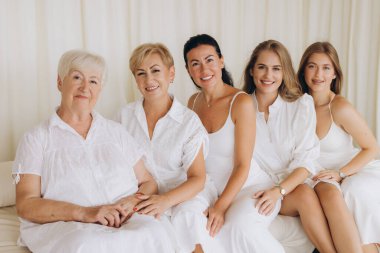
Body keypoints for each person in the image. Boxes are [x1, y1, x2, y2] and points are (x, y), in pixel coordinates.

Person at [12, 49, 175, 253]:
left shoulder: (116, 132)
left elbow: (148, 182)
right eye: (77, 77)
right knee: (87, 245)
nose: (85, 87)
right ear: (60, 82)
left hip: (127, 219)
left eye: (93, 81)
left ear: (99, 90)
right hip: (73, 226)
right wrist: (86, 213)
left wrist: (132, 201)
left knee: (155, 233)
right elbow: (26, 204)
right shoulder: (36, 138)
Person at [115, 43, 222, 253]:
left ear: (171, 73)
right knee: (146, 231)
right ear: (135, 80)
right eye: (141, 73)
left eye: (156, 71)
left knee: (186, 219)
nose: (149, 80)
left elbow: (198, 178)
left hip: (187, 193)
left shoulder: (189, 122)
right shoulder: (124, 117)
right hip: (145, 194)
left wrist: (165, 201)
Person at [184, 34, 284, 253]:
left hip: (250, 187)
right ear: (188, 70)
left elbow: (242, 165)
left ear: (221, 61)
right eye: (195, 64)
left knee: (237, 228)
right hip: (211, 188)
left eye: (209, 60)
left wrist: (220, 207)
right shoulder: (192, 103)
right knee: (189, 222)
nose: (204, 69)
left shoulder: (241, 102)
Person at [242, 40, 337, 253]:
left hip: (292, 187)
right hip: (256, 187)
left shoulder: (300, 106)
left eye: (276, 68)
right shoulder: (239, 107)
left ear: (285, 72)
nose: (268, 75)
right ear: (251, 71)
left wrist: (279, 191)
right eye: (262, 67)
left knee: (304, 193)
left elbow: (306, 161)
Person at [298, 41, 380, 253]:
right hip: (314, 174)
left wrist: (341, 173)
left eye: (326, 68)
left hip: (350, 168)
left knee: (354, 193)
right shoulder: (296, 105)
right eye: (312, 66)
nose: (318, 74)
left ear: (334, 73)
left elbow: (371, 147)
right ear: (303, 70)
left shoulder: (339, 107)